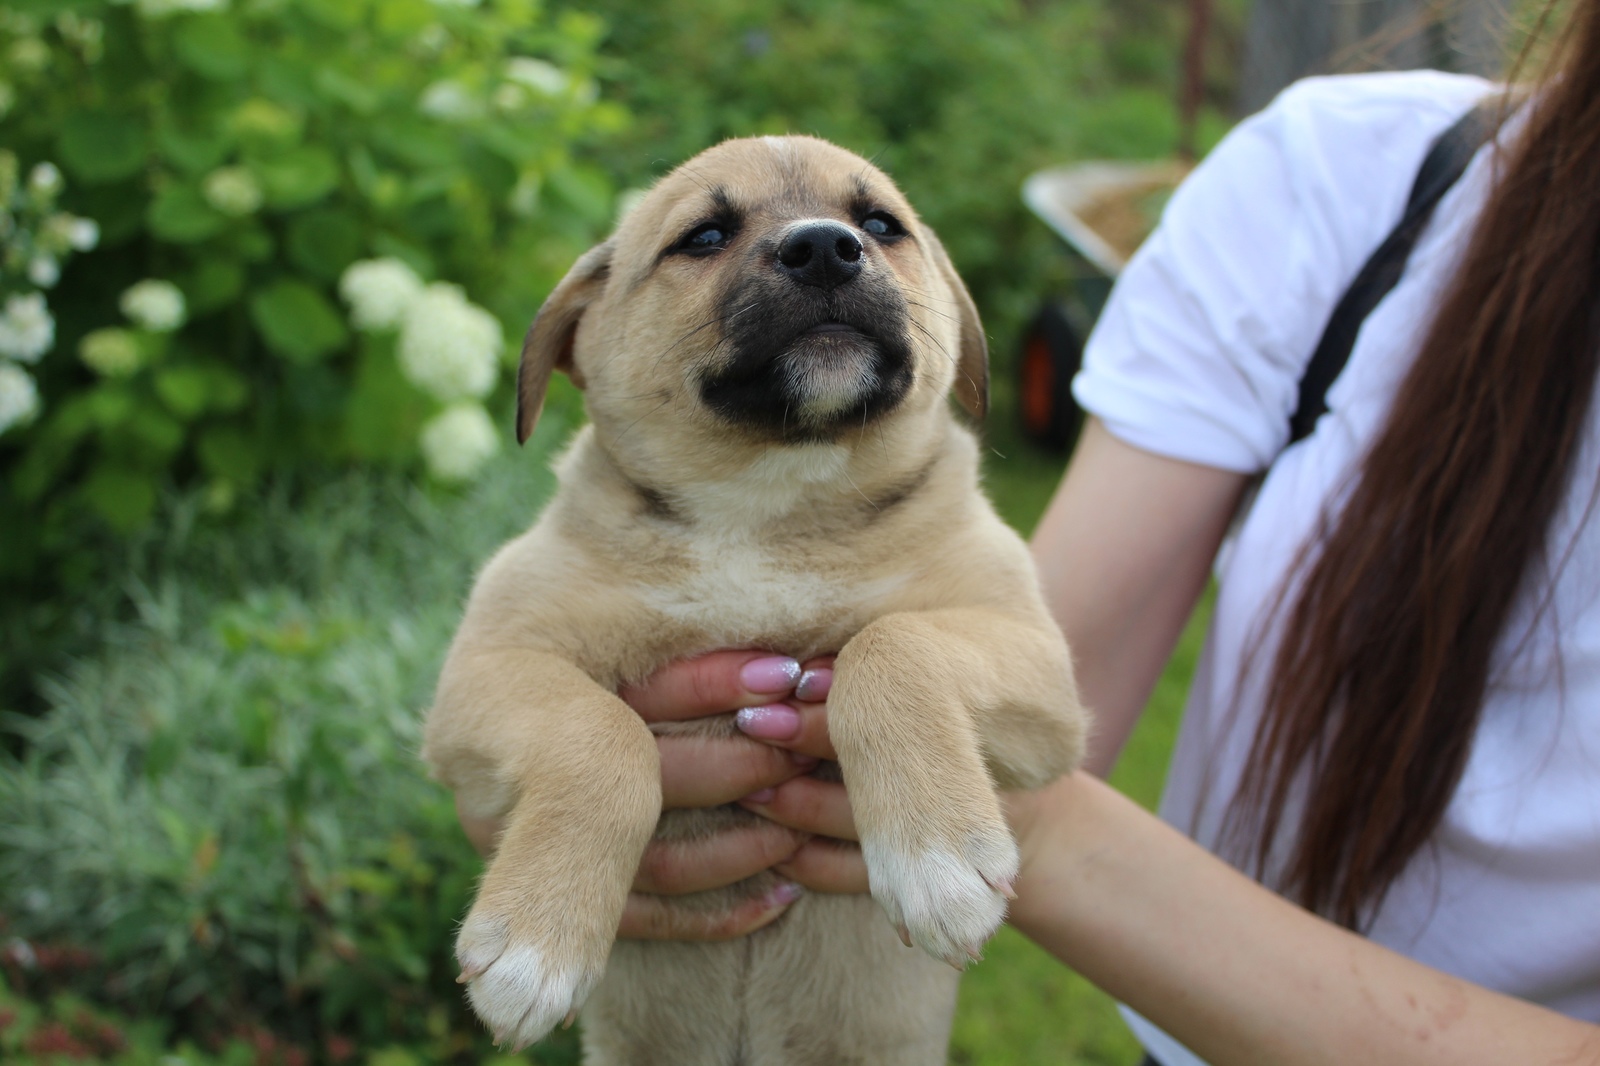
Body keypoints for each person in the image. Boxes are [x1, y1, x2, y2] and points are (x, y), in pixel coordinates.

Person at [455, 2, 1600, 1060]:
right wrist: (578, 774)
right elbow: (484, 696)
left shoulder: (951, 549)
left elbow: (1039, 711)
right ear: (580, 338)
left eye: (875, 229)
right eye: (706, 238)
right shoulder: (1351, 180)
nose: (819, 248)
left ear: (953, 329)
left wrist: (902, 680)